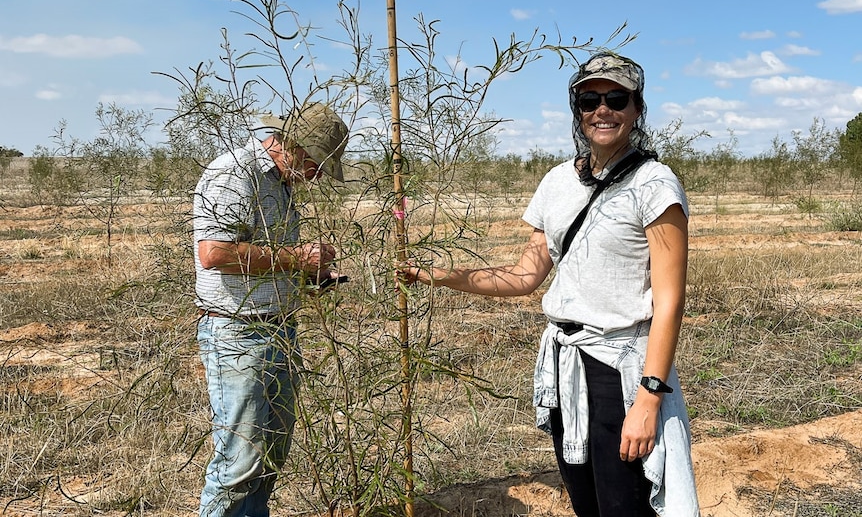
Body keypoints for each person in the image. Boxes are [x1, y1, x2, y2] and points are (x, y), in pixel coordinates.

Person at [401, 52, 699, 516]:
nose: (603, 110)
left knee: (627, 504)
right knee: (586, 500)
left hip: (621, 370)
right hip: (566, 363)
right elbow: (524, 275)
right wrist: (439, 276)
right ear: (577, 110)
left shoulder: (655, 186)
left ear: (637, 109)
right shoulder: (557, 181)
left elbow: (670, 302)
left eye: (616, 98)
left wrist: (648, 400)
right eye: (589, 100)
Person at [193, 102, 349, 517]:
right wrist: (297, 257)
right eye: (317, 163)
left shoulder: (281, 184)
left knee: (270, 453)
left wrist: (309, 275)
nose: (316, 176)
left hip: (278, 330)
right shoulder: (235, 173)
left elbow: (265, 257)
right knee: (239, 462)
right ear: (289, 144)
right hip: (238, 334)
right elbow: (215, 253)